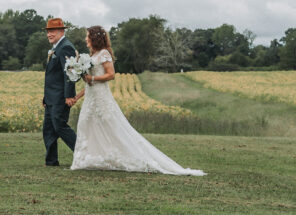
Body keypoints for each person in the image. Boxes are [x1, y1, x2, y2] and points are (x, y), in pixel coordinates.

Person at [70, 25, 204, 176]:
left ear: (94, 38)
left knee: (111, 127)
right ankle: (89, 159)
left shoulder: (104, 54)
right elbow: (88, 83)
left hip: (101, 97)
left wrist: (92, 78)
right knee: (86, 124)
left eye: (87, 36)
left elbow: (111, 75)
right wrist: (78, 94)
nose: (85, 39)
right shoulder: (91, 56)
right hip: (91, 97)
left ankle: (120, 157)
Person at [42, 17, 77, 166]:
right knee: (48, 129)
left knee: (60, 126)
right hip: (51, 97)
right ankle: (51, 161)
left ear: (61, 31)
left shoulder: (65, 47)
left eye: (53, 31)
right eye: (48, 31)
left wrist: (69, 95)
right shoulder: (56, 47)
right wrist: (45, 97)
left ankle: (82, 154)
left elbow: (69, 74)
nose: (49, 34)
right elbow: (52, 76)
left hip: (60, 97)